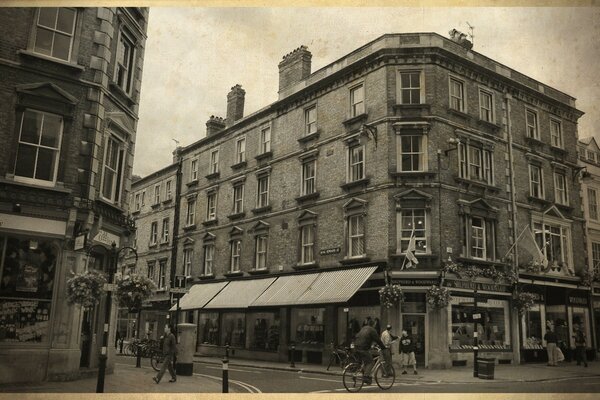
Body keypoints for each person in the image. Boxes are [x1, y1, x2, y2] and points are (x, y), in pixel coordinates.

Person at [353, 318, 385, 385]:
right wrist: (383, 347)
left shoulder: (363, 328)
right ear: (374, 324)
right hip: (363, 348)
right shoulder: (372, 330)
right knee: (371, 362)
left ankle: (359, 374)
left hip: (356, 346)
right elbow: (378, 340)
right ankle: (366, 377)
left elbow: (359, 336)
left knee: (366, 361)